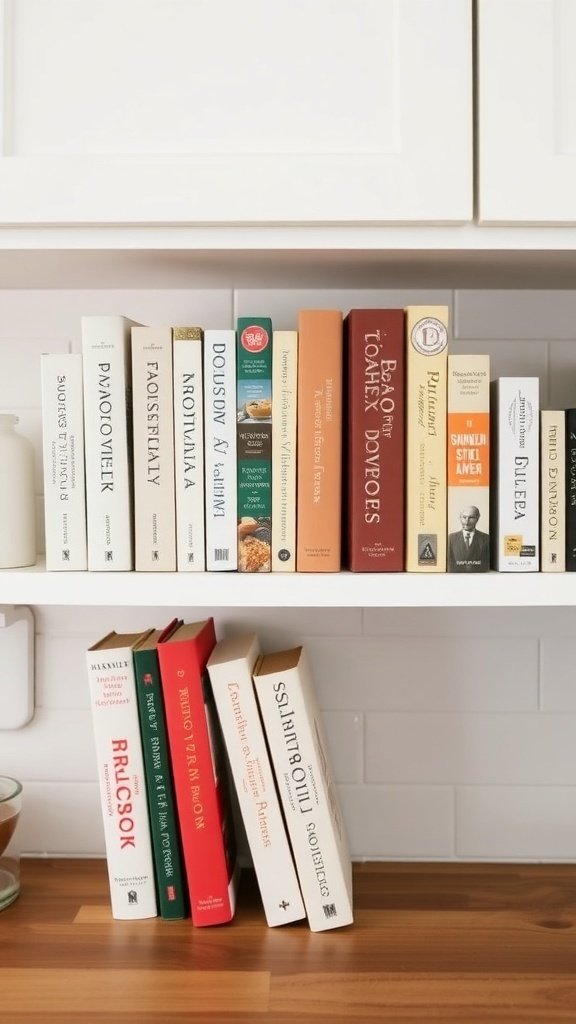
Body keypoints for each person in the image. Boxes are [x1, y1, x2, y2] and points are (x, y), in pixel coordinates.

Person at [448, 505, 490, 572]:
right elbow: (449, 564)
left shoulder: (486, 539)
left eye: (471, 518)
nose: (466, 521)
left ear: (477, 518)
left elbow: (486, 565)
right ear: (460, 518)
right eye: (464, 517)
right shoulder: (450, 538)